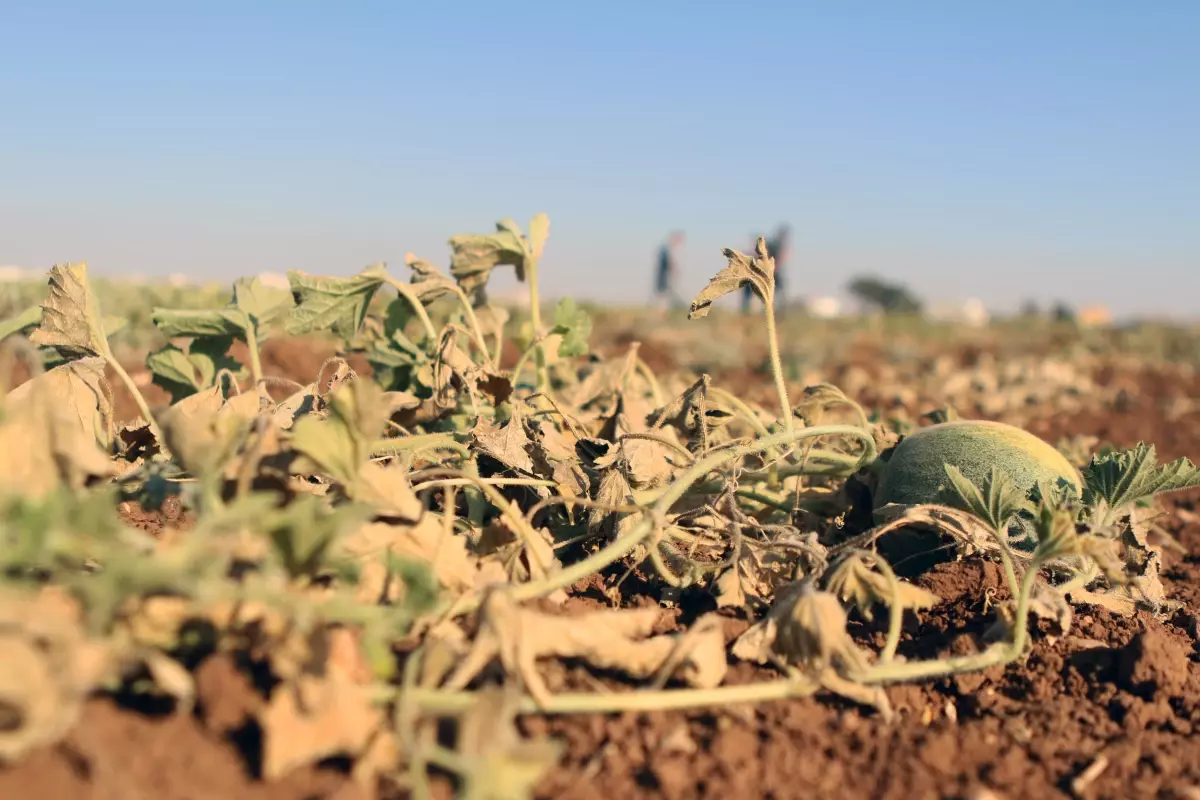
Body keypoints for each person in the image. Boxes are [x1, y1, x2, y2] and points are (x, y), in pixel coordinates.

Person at [742, 224, 792, 314]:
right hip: (765, 273)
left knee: (777, 295)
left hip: (772, 274)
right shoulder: (774, 245)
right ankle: (748, 313)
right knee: (752, 294)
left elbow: (781, 258)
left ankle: (779, 312)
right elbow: (781, 257)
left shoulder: (775, 245)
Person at [652, 231, 685, 310]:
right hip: (663, 281)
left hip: (666, 281)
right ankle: (661, 317)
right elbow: (667, 265)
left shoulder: (668, 250)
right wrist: (674, 269)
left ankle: (663, 315)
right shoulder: (665, 251)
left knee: (666, 299)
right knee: (663, 300)